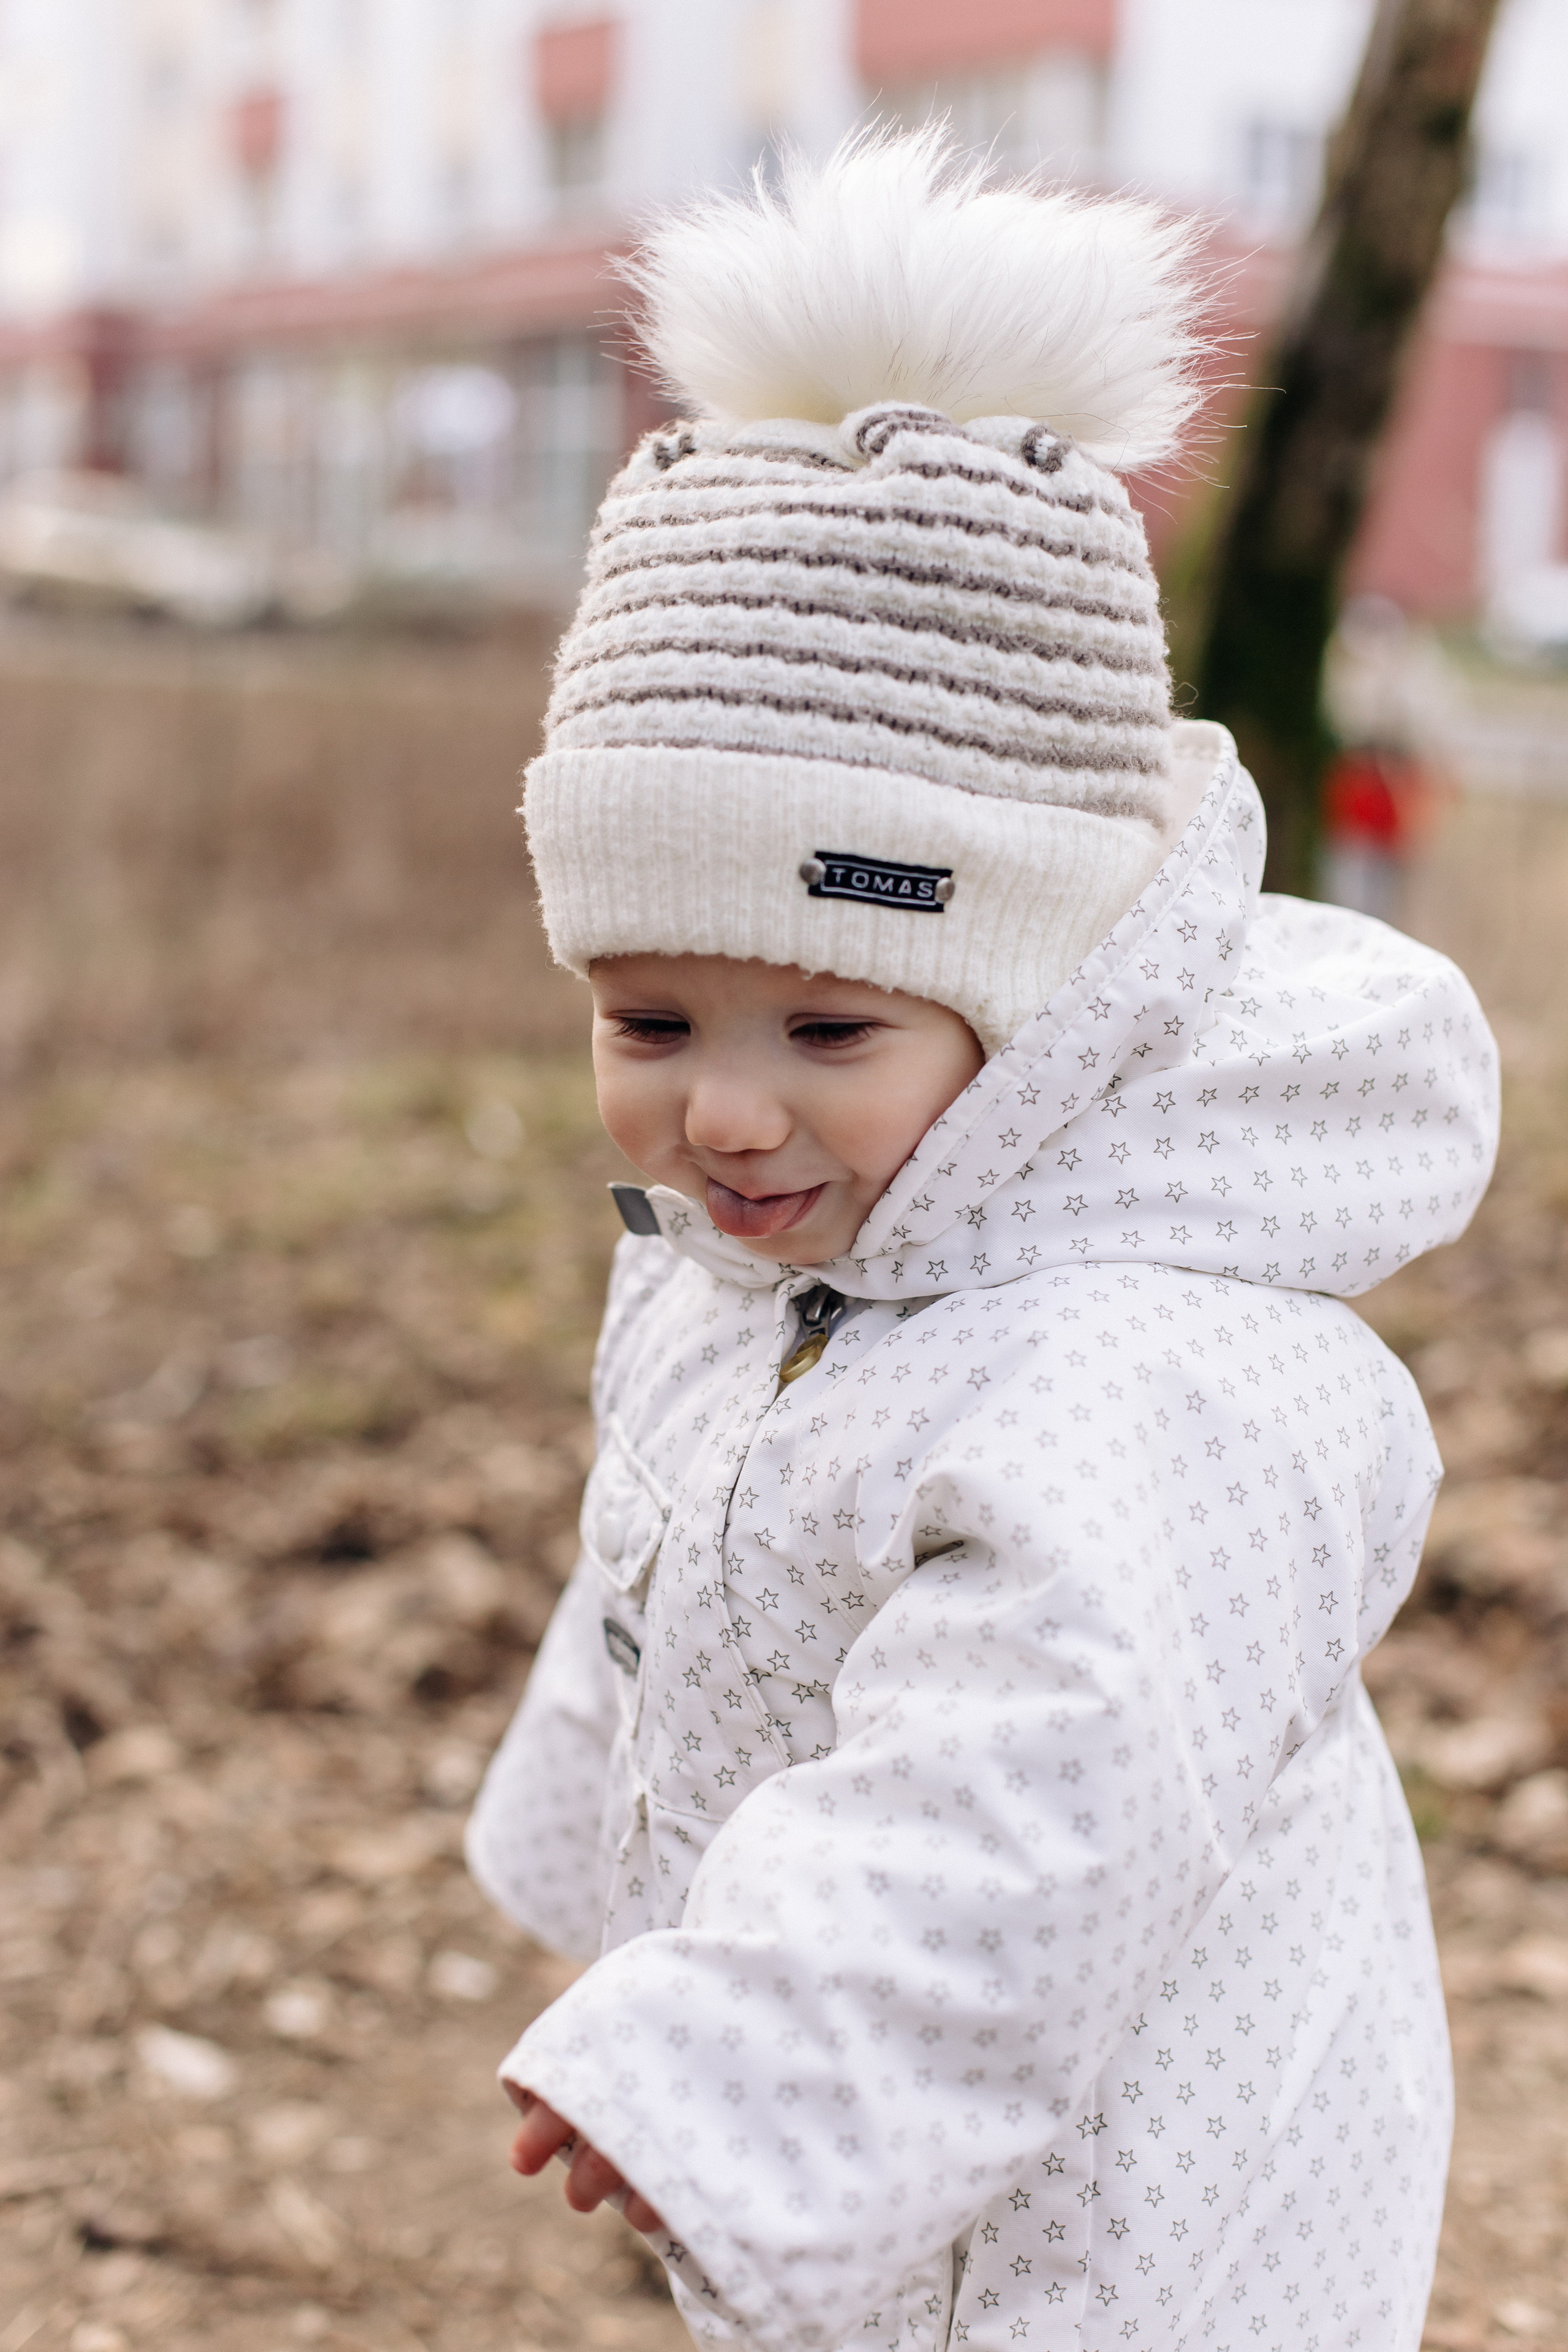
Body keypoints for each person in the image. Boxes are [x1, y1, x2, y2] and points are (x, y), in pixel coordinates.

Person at [466, 129, 1499, 2352]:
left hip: (1134, 2215)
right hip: (884, 2157)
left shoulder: (1147, 1373)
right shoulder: (750, 1248)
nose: (720, 1109)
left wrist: (738, 2072)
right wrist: (607, 1875)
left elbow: (1038, 1801)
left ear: (1034, 998)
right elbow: (658, 1544)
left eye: (826, 1023)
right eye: (646, 1017)